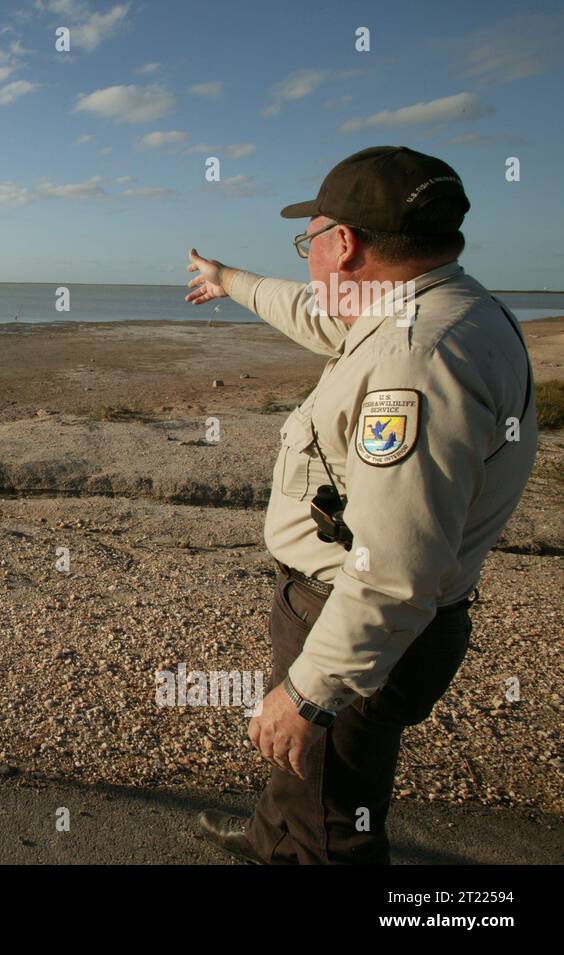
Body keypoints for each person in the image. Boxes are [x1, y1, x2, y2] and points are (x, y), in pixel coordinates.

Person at [184, 146, 537, 864]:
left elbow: (394, 570)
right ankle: (265, 839)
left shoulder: (416, 359)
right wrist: (231, 282)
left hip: (347, 612)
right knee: (306, 777)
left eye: (307, 241)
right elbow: (316, 316)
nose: (307, 262)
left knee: (336, 818)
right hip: (348, 608)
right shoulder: (447, 307)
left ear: (343, 243)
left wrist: (310, 692)